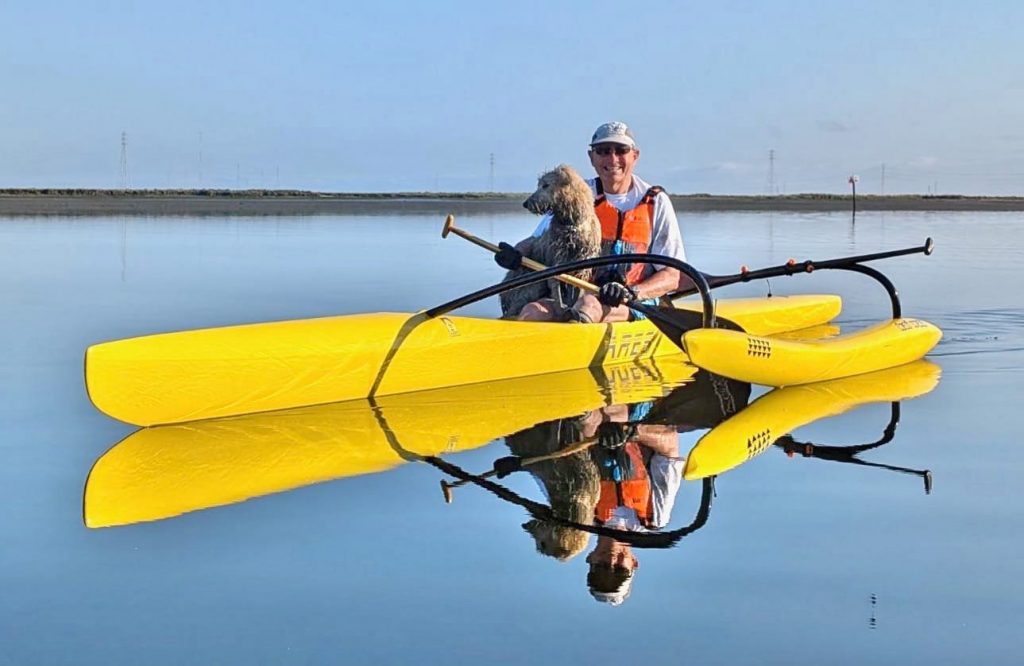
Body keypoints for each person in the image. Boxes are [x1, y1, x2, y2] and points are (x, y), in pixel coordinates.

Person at [496, 121, 692, 323]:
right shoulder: (574, 193)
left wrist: (632, 292)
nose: (612, 158)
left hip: (634, 301)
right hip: (574, 293)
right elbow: (537, 240)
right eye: (603, 151)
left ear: (635, 155)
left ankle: (576, 346)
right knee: (532, 310)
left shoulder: (656, 201)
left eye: (621, 150)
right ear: (591, 157)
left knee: (589, 305)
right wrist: (516, 253)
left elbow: (671, 276)